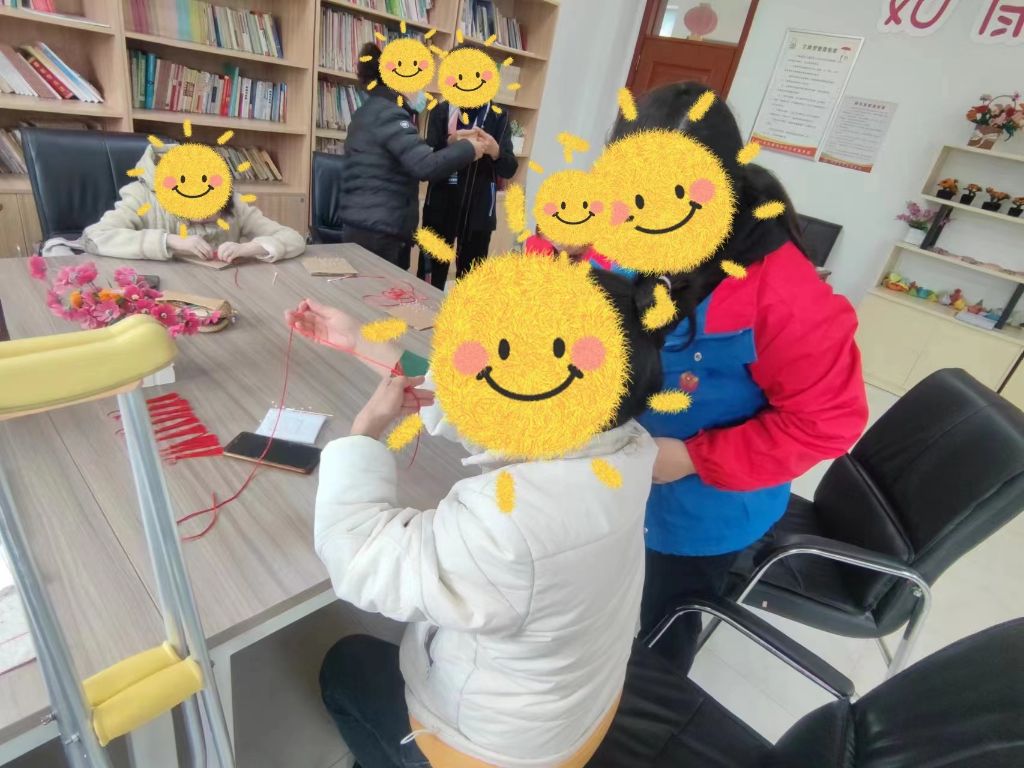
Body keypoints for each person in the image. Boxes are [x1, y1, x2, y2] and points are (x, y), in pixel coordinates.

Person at [286, 260, 665, 767]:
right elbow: (479, 402)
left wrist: (363, 433)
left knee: (344, 664)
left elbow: (358, 558)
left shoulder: (509, 525)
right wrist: (358, 340)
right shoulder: (624, 442)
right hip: (579, 709)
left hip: (489, 750)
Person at [608, 83, 869, 671]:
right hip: (614, 479)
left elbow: (826, 423)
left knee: (658, 638)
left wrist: (692, 458)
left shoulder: (786, 298)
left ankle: (647, 708)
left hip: (696, 511)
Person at [337, 42, 487, 270]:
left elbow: (405, 155)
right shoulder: (390, 114)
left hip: (363, 225)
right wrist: (469, 148)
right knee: (384, 291)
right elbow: (425, 166)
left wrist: (451, 142)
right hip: (381, 232)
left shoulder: (369, 110)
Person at [82, 144, 305, 263]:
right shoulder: (142, 197)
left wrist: (249, 248)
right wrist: (171, 241)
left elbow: (293, 238)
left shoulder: (235, 203)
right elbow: (94, 237)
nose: (205, 217)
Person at [418, 82, 518, 287]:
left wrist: (496, 151)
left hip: (478, 210)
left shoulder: (498, 116)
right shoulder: (441, 110)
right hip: (440, 206)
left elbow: (509, 169)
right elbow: (426, 159)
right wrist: (450, 142)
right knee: (429, 280)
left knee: (471, 284)